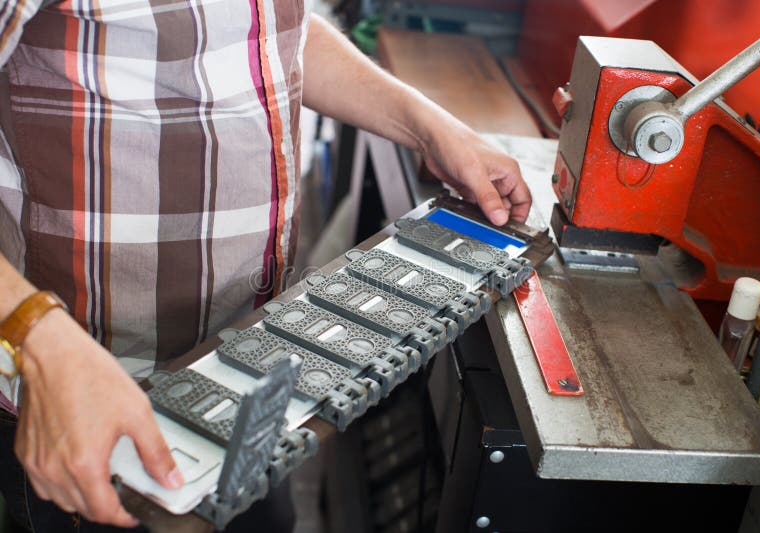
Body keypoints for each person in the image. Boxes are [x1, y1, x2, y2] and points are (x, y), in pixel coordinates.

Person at [0, 0, 532, 531]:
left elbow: (266, 36)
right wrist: (41, 339)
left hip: (251, 367)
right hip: (92, 407)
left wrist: (426, 125)